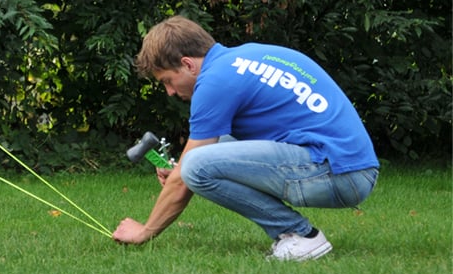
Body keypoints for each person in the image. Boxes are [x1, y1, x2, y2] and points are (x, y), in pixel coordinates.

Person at [112, 15, 379, 261]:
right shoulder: (244, 59)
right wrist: (181, 169)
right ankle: (297, 234)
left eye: (167, 81)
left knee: (195, 165)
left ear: (187, 64)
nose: (169, 91)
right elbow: (218, 150)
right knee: (201, 158)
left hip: (342, 175)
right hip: (348, 167)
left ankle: (301, 236)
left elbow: (190, 172)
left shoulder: (215, 81)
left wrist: (145, 231)